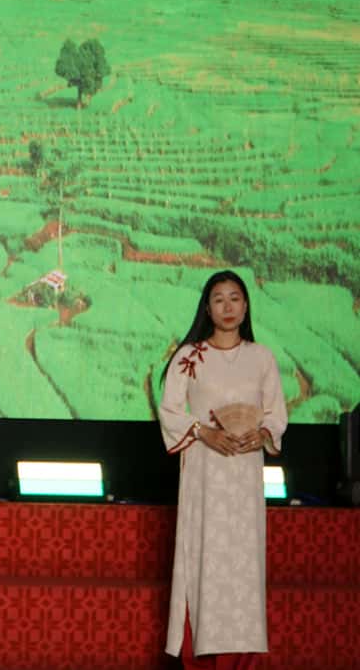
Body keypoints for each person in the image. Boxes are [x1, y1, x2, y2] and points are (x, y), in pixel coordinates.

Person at [158, 270, 287, 670]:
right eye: (219, 299)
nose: (228, 306)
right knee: (204, 553)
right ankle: (202, 651)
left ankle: (242, 654)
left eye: (235, 298)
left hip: (245, 472)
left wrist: (263, 433)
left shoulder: (261, 356)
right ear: (208, 307)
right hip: (205, 469)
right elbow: (170, 411)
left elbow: (276, 413)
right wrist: (203, 433)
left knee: (243, 558)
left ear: (246, 305)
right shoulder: (189, 357)